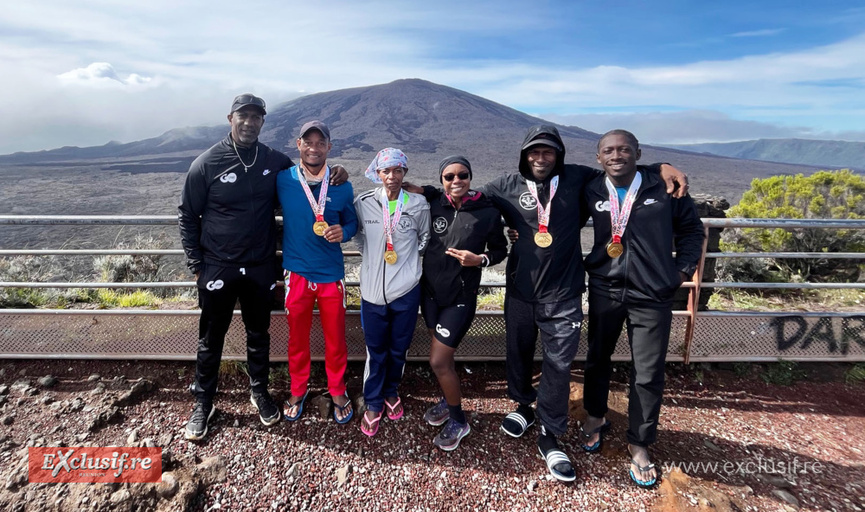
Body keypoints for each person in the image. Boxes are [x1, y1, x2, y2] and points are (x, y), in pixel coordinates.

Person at [482, 124, 689, 482]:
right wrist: (423, 189)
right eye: (534, 151)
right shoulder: (505, 185)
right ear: (524, 155)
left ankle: (551, 432)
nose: (541, 158)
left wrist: (661, 166)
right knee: (518, 351)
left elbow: (622, 164)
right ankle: (522, 405)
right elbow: (465, 196)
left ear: (559, 155)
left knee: (559, 364)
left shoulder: (580, 179)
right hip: (522, 288)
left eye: (548, 152)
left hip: (564, 291)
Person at [178, 94, 347, 441]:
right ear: (230, 118)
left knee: (259, 334)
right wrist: (197, 265)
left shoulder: (275, 161)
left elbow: (310, 175)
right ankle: (204, 402)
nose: (249, 122)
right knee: (211, 338)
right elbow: (187, 215)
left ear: (263, 122)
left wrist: (340, 171)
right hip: (217, 267)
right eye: (243, 116)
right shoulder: (207, 162)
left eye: (256, 117)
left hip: (260, 267)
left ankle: (260, 392)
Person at [578, 130, 704, 488]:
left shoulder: (663, 187)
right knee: (597, 358)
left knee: (648, 371)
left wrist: (681, 272)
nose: (616, 155)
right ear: (598, 157)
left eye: (624, 149)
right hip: (605, 287)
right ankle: (595, 416)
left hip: (653, 292)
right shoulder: (590, 187)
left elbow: (693, 232)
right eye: (608, 151)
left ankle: (640, 443)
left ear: (638, 153)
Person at [405, 156, 508, 451]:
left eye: (463, 175)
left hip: (460, 299)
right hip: (431, 294)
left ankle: (459, 420)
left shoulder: (487, 211)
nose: (456, 181)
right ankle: (447, 399)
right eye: (449, 177)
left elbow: (500, 249)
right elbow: (410, 187)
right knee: (444, 359)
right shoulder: (435, 200)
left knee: (437, 360)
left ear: (470, 177)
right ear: (441, 181)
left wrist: (481, 260)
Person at [276, 120, 357, 424]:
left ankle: (337, 389)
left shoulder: (342, 185)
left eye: (320, 143)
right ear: (298, 145)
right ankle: (298, 388)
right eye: (307, 142)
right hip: (296, 273)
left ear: (329, 148)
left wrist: (344, 232)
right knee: (297, 339)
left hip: (330, 274)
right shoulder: (283, 180)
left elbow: (352, 222)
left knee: (335, 338)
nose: (313, 148)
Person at [354, 148, 431, 437]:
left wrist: (409, 266)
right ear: (377, 173)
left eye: (398, 170)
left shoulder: (419, 205)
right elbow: (359, 236)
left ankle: (390, 390)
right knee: (376, 350)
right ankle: (373, 401)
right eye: (386, 171)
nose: (392, 176)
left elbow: (424, 239)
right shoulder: (364, 203)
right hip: (372, 292)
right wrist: (374, 259)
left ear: (405, 173)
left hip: (407, 290)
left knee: (399, 348)